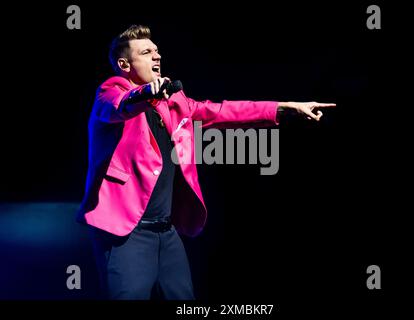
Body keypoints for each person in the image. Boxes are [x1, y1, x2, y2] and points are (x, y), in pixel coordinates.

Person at [77, 24, 335, 300]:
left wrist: (285, 108)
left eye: (157, 50)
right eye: (147, 52)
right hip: (126, 232)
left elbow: (224, 111)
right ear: (124, 64)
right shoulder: (110, 90)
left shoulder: (174, 102)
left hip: (167, 231)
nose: (157, 56)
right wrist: (145, 93)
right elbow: (118, 106)